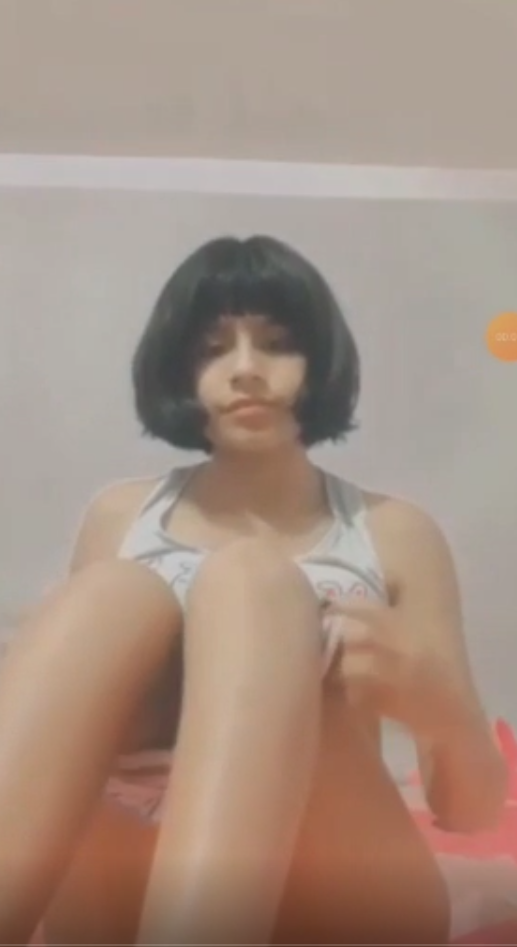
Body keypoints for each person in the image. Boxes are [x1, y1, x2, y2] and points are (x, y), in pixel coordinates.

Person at [0, 235, 506, 946]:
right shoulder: (118, 517)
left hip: (338, 888)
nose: (245, 370)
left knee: (253, 583)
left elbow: (470, 811)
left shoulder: (395, 532)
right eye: (212, 350)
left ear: (319, 361)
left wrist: (434, 701)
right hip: (131, 872)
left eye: (277, 344)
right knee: (109, 595)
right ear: (178, 371)